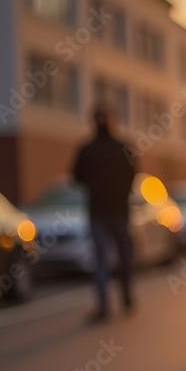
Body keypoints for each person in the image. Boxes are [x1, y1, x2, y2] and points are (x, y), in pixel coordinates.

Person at [73, 104, 136, 323]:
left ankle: (105, 304)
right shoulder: (122, 148)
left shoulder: (87, 149)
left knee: (103, 259)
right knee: (121, 256)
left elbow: (77, 177)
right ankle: (121, 297)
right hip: (115, 212)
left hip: (100, 212)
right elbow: (133, 176)